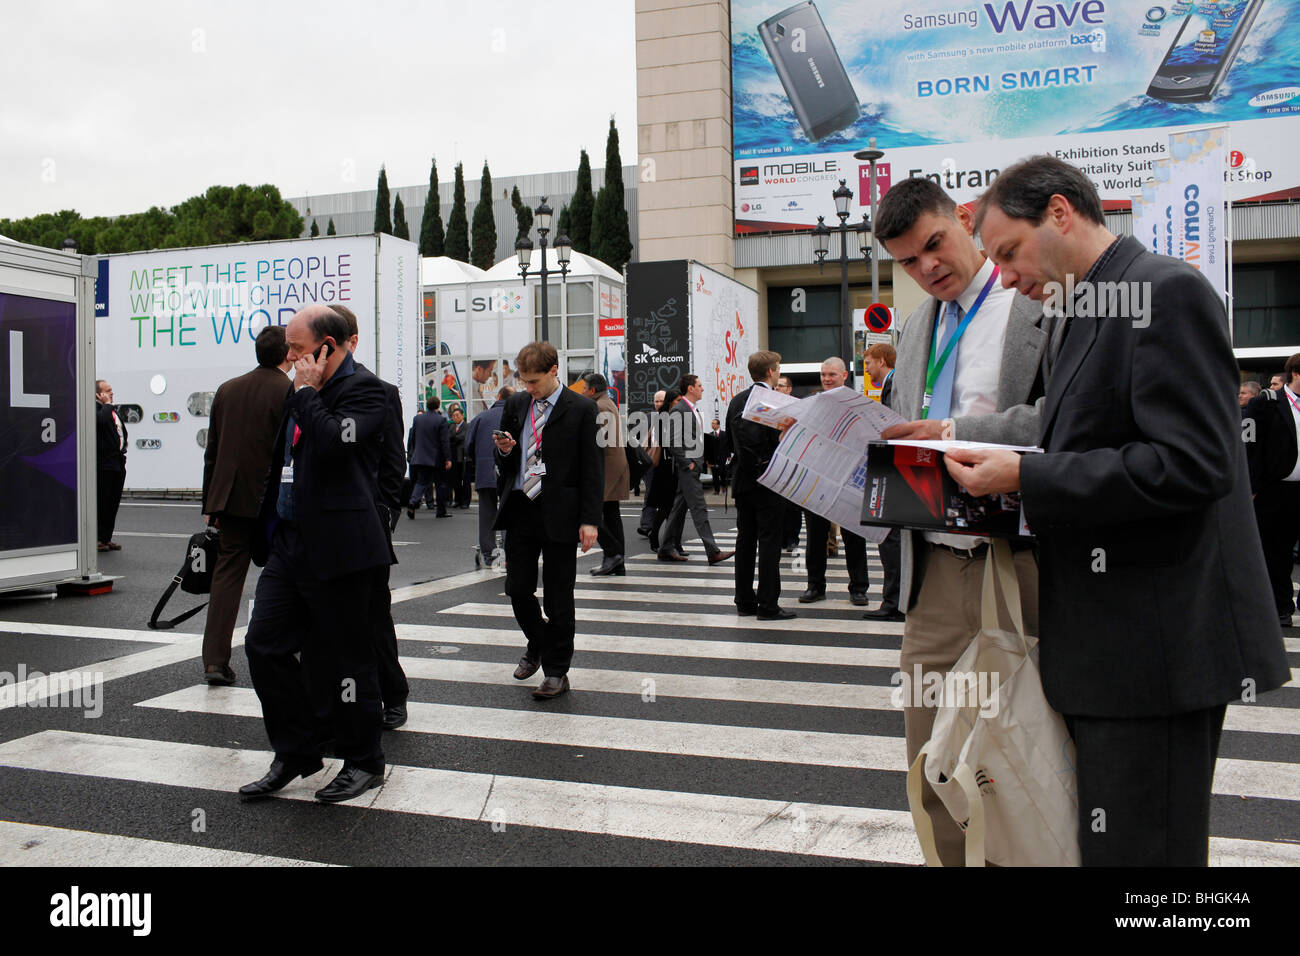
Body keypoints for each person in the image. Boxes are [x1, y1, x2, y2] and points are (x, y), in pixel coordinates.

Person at [947, 154, 1290, 865]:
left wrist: (1031, 479)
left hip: (1157, 649)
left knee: (1147, 856)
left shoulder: (1166, 292)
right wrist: (987, 466)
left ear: (1062, 212)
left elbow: (1195, 465)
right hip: (1109, 646)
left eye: (1009, 252)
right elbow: (1071, 437)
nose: (1005, 277)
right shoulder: (1079, 308)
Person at [875, 174, 1050, 866]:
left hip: (1027, 562)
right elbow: (904, 429)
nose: (927, 269)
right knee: (931, 757)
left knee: (1033, 749)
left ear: (967, 219)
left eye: (935, 246)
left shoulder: (1035, 302)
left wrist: (957, 429)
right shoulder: (917, 324)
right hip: (937, 569)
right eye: (909, 262)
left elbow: (1067, 417)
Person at [239, 305, 392, 804]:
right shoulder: (298, 392)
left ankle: (363, 758)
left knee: (347, 661)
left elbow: (334, 442)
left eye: (299, 349)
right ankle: (297, 750)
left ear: (331, 346)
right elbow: (283, 458)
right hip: (289, 542)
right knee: (264, 645)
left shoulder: (369, 391)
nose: (290, 357)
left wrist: (306, 393)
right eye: (289, 348)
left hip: (343, 547)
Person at [492, 342, 603, 700]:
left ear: (554, 370)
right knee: (517, 587)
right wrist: (504, 451)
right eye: (524, 381)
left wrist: (590, 520)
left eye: (534, 381)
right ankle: (538, 641)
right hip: (522, 505)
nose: (529, 388)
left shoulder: (582, 409)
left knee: (559, 595)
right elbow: (507, 463)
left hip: (561, 512)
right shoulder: (516, 404)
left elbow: (592, 467)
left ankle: (557, 671)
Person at [328, 304, 410, 730]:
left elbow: (395, 461)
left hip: (366, 522)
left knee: (374, 616)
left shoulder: (379, 390)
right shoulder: (309, 389)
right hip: (320, 523)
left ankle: (393, 695)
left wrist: (384, 511)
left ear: (351, 341)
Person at [199, 325, 293, 686]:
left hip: (229, 498)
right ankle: (284, 650)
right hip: (271, 500)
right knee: (284, 573)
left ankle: (215, 661)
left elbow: (214, 450)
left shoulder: (227, 389)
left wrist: (211, 501)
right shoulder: (288, 390)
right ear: (288, 354)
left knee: (227, 577)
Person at [797, 357, 870, 606]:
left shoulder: (857, 405)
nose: (827, 379)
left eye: (832, 375)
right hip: (817, 478)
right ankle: (815, 586)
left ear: (844, 376)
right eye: (823, 374)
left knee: (853, 536)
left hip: (848, 479)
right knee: (815, 537)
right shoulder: (812, 404)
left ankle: (858, 588)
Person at [727, 350, 793, 620]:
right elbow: (779, 441)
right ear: (770, 372)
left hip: (743, 481)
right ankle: (768, 604)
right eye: (777, 368)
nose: (778, 372)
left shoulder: (737, 400)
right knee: (769, 543)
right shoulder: (773, 400)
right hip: (769, 481)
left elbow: (728, 444)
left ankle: (743, 600)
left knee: (745, 541)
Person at [1243, 354, 1300, 627]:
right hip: (1277, 490)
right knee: (1277, 553)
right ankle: (1281, 607)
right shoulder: (1267, 404)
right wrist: (1254, 487)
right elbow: (1250, 448)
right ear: (1296, 374)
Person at [658, 374, 734, 565]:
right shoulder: (680, 410)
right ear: (690, 388)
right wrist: (688, 463)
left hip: (693, 466)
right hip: (688, 469)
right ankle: (713, 551)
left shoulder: (691, 410)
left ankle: (665, 548)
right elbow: (673, 442)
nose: (702, 388)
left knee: (678, 509)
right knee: (699, 509)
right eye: (699, 385)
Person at [861, 343, 903, 622]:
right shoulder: (890, 385)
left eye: (868, 363)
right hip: (895, 468)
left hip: (894, 470)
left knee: (891, 539)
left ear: (883, 360)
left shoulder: (894, 385)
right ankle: (895, 600)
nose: (866, 369)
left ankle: (894, 602)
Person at [583, 373, 630, 576]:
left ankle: (612, 553)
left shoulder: (598, 407)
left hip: (606, 467)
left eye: (584, 388)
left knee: (593, 512)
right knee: (612, 515)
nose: (582, 392)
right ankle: (617, 560)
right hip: (615, 465)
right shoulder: (607, 402)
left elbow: (597, 443)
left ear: (592, 390)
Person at [465, 386, 513, 567]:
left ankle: (489, 554)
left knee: (487, 513)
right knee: (508, 512)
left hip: (485, 470)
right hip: (508, 471)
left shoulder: (480, 418)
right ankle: (509, 553)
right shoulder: (515, 417)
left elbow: (469, 446)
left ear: (498, 396)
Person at [645, 389, 682, 552]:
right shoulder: (662, 418)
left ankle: (673, 541)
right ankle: (656, 535)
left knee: (674, 508)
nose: (679, 404)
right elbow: (663, 441)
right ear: (671, 402)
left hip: (675, 466)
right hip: (665, 466)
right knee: (666, 506)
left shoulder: (677, 416)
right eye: (676, 401)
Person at [94, 380, 128, 553]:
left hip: (117, 462)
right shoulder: (98, 409)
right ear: (98, 394)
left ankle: (107, 537)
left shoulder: (111, 410)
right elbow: (99, 422)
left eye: (111, 390)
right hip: (103, 463)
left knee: (113, 502)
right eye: (107, 391)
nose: (111, 393)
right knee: (103, 501)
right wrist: (107, 405)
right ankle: (97, 538)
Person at [406, 398, 452, 518]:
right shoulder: (441, 420)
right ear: (438, 405)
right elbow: (444, 442)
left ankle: (412, 502)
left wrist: (415, 452)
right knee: (440, 484)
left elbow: (413, 438)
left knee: (421, 482)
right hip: (437, 458)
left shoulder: (418, 419)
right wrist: (448, 458)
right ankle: (441, 511)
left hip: (420, 457)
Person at [636, 389, 667, 537]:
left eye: (662, 401)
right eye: (656, 401)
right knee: (649, 494)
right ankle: (646, 525)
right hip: (650, 462)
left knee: (668, 496)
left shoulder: (674, 417)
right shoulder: (647, 419)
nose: (659, 404)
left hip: (667, 462)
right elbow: (638, 439)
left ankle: (670, 526)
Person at [448, 403, 472, 508]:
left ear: (462, 416)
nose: (455, 417)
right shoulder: (451, 426)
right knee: (455, 480)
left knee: (466, 481)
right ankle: (457, 500)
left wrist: (453, 438)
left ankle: (466, 502)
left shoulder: (467, 426)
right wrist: (454, 438)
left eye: (457, 415)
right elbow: (449, 438)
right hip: (454, 457)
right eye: (453, 416)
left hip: (464, 457)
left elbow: (461, 438)